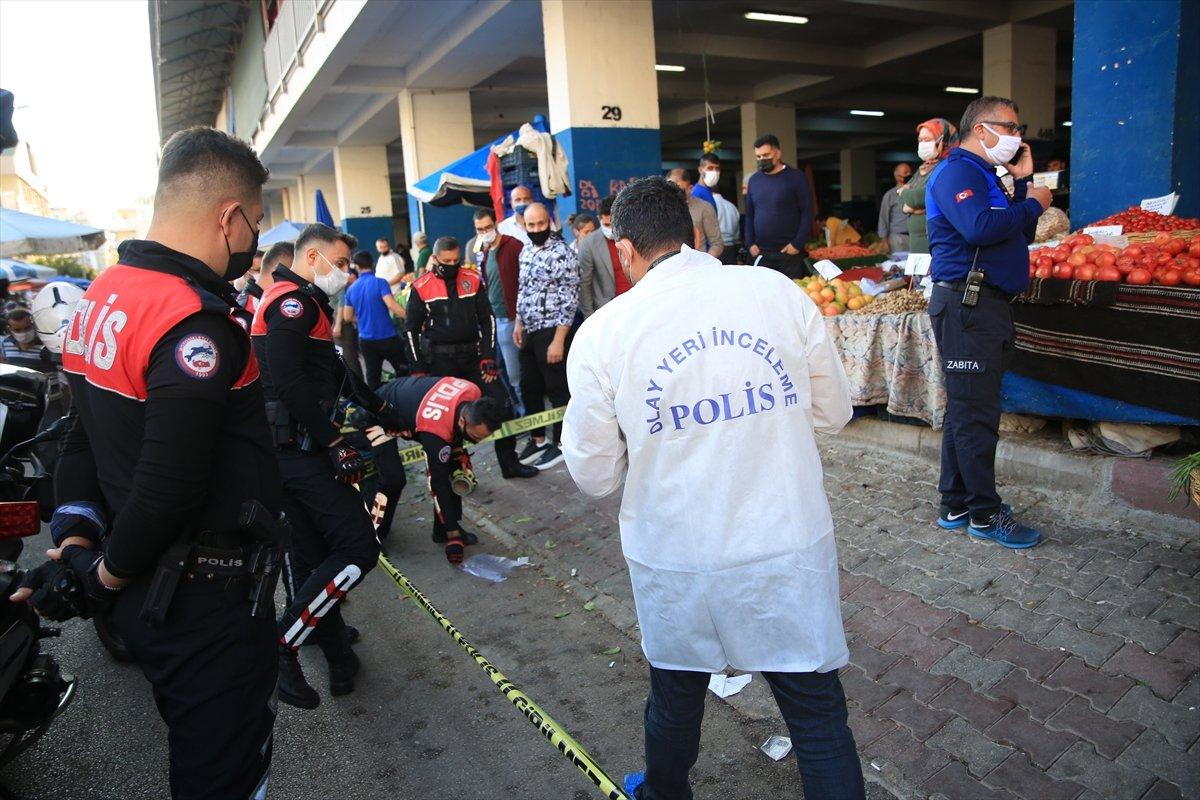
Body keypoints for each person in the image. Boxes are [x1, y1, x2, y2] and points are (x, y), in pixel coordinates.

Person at [561, 176, 863, 800]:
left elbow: (593, 475)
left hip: (679, 558)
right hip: (782, 545)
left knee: (675, 696)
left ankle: (663, 792)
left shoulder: (603, 333)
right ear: (695, 235)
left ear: (624, 249)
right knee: (817, 717)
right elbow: (834, 413)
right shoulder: (774, 291)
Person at [12, 126, 281, 799]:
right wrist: (102, 577)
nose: (252, 243)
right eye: (254, 224)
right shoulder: (193, 319)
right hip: (203, 598)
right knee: (223, 774)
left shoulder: (105, 294)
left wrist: (78, 542)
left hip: (149, 591)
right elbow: (169, 486)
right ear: (229, 217)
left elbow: (80, 438)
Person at [252, 222, 398, 708]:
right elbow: (289, 383)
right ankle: (283, 644)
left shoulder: (307, 303)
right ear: (311, 257)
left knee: (318, 561)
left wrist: (381, 409)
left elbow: (337, 372)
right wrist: (334, 441)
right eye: (340, 263)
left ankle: (335, 657)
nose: (346, 273)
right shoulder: (291, 304)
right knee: (358, 549)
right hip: (296, 454)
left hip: (293, 452)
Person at [927, 96, 1051, 548]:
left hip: (981, 306)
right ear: (982, 129)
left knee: (967, 408)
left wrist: (1024, 184)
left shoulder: (985, 175)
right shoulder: (957, 172)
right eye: (1011, 128)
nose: (1018, 136)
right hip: (969, 306)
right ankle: (984, 513)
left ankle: (956, 502)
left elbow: (1018, 233)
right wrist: (1033, 204)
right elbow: (978, 228)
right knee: (976, 414)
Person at [404, 235, 537, 481]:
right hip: (440, 362)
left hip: (474, 359)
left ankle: (509, 463)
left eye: (456, 260)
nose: (451, 265)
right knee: (448, 419)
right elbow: (411, 330)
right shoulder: (421, 286)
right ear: (435, 258)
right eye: (446, 261)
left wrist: (488, 356)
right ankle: (457, 471)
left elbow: (488, 320)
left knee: (503, 405)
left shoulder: (472, 279)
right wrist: (418, 369)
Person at [374, 376, 508, 562]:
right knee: (393, 479)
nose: (478, 442)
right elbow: (438, 483)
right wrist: (454, 535)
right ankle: (371, 536)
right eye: (475, 437)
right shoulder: (436, 431)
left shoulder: (472, 391)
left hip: (410, 401)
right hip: (377, 414)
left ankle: (441, 530)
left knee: (455, 468)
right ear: (463, 421)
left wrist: (458, 454)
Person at [514, 202, 577, 470]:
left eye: (541, 223)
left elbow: (570, 298)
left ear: (549, 222)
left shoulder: (562, 253)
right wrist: (518, 323)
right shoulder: (526, 250)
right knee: (529, 388)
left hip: (552, 330)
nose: (537, 228)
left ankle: (561, 443)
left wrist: (559, 340)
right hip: (528, 329)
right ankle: (538, 440)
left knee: (557, 390)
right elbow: (523, 288)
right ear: (524, 225)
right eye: (531, 225)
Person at [475, 207, 526, 416]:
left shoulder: (513, 246)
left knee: (516, 375)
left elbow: (525, 283)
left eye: (488, 227)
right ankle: (513, 411)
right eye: (480, 229)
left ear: (496, 224)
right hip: (494, 321)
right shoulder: (486, 252)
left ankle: (525, 415)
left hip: (511, 320)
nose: (485, 232)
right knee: (499, 371)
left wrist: (518, 319)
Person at [744, 133, 814, 279]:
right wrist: (750, 243)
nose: (762, 159)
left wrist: (797, 244)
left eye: (766, 155)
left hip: (789, 253)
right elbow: (749, 214)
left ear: (777, 153)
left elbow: (807, 212)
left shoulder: (796, 177)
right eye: (758, 156)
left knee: (791, 291)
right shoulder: (754, 181)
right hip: (761, 253)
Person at [344, 250, 408, 387]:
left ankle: (377, 400)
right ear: (372, 263)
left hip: (366, 340)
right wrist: (410, 317)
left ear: (356, 266)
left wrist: (362, 319)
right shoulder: (380, 283)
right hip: (387, 337)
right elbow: (391, 304)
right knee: (404, 369)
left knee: (373, 377)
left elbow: (347, 316)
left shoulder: (351, 289)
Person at [900, 119, 959, 255]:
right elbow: (901, 201)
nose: (922, 144)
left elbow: (922, 196)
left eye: (927, 139)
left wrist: (907, 196)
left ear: (943, 140)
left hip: (936, 245)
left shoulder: (949, 166)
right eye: (920, 140)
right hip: (916, 246)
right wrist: (912, 203)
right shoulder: (923, 168)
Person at [577, 195, 632, 317]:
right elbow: (584, 284)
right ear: (599, 219)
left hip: (634, 305)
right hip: (607, 311)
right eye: (606, 225)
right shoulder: (589, 244)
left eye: (613, 224)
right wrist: (590, 317)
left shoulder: (632, 237)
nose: (610, 229)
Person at [667, 168, 723, 259]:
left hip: (697, 264)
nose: (674, 194)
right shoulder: (661, 209)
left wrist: (704, 263)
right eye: (669, 190)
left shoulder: (704, 207)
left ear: (690, 188)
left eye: (680, 190)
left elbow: (717, 244)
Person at [241, 240, 289, 314]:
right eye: (259, 269)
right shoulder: (249, 304)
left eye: (265, 266)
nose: (264, 272)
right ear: (246, 274)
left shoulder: (272, 293)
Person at [878, 163, 914, 253]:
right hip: (898, 238)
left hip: (914, 236)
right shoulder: (890, 195)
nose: (909, 174)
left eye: (910, 172)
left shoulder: (915, 192)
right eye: (906, 172)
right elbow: (883, 218)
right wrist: (884, 241)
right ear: (897, 176)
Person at [711, 188, 741, 265]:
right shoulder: (731, 206)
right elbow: (737, 232)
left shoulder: (709, 205)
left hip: (715, 249)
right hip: (731, 248)